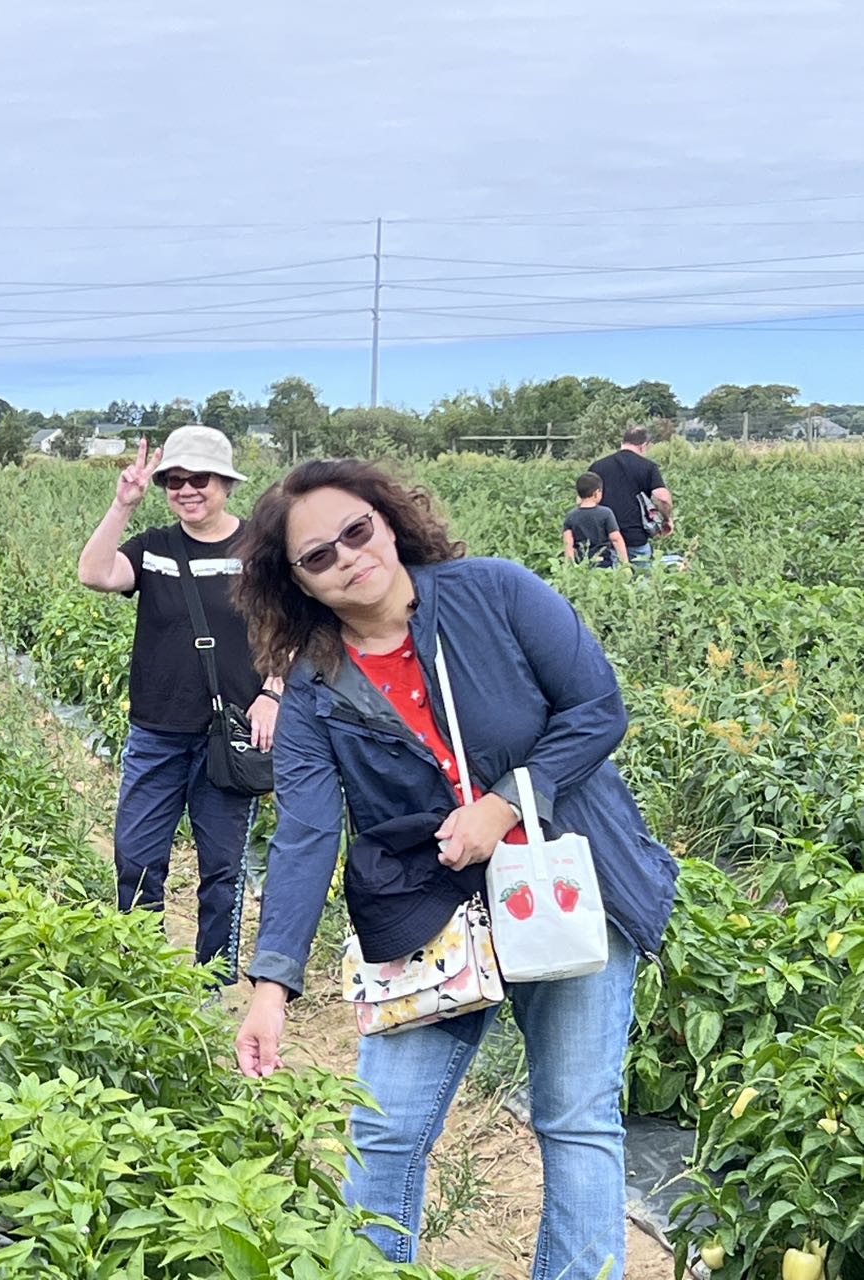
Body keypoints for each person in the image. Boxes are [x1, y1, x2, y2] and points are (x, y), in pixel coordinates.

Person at [230, 459, 676, 1278]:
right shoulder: (315, 687)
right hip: (427, 909)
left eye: (355, 532)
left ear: (388, 520)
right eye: (317, 556)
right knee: (385, 1124)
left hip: (561, 886)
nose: (347, 558)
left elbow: (595, 709)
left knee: (575, 1119)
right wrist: (270, 987)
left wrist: (503, 805)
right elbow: (303, 835)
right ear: (294, 582)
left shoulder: (495, 594)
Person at [77, 426, 281, 985]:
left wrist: (273, 694)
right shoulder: (155, 549)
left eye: (200, 480)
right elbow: (94, 573)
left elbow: (290, 629)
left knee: (223, 869)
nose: (187, 490)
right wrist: (123, 505)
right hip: (156, 732)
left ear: (226, 484)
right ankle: (140, 973)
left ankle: (213, 984)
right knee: (137, 856)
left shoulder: (258, 554)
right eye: (175, 481)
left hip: (229, 736)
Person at [589, 426, 674, 568]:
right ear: (644, 446)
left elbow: (582, 501)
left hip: (604, 538)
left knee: (606, 584)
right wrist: (666, 519)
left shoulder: (597, 467)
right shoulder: (648, 467)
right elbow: (663, 497)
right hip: (635, 538)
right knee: (641, 583)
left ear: (623, 443)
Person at [562, 471, 629, 568]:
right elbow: (616, 539)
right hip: (603, 562)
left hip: (581, 564)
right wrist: (625, 563)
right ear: (596, 493)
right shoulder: (606, 513)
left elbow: (568, 544)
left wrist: (570, 567)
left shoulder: (571, 516)